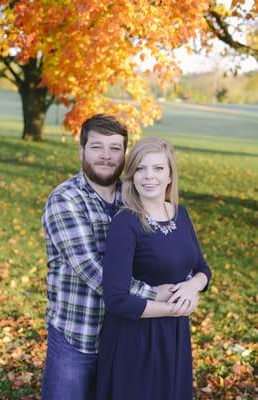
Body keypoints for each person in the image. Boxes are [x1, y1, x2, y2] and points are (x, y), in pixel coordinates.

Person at [41, 115, 186, 400]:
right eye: (97, 147)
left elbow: (167, 247)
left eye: (115, 148)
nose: (106, 156)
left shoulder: (133, 196)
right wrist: (157, 294)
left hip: (125, 336)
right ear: (81, 151)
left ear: (124, 155)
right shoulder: (65, 200)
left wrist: (191, 283)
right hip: (78, 335)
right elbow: (94, 272)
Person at [97, 137, 212, 400]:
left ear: (170, 175)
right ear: (132, 176)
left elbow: (202, 267)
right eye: (140, 168)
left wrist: (193, 286)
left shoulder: (180, 214)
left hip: (174, 337)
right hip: (135, 339)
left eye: (158, 168)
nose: (149, 177)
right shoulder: (126, 223)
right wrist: (174, 309)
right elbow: (116, 300)